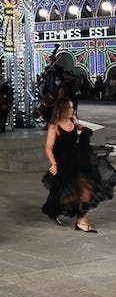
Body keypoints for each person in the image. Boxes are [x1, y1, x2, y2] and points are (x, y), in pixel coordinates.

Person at [41, 98, 113, 231]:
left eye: (72, 107)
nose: (72, 110)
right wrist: (53, 164)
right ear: (61, 109)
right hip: (62, 163)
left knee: (85, 189)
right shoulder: (54, 126)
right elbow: (48, 147)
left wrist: (83, 130)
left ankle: (81, 221)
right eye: (69, 108)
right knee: (61, 193)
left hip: (76, 159)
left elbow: (79, 128)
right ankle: (58, 211)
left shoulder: (72, 120)